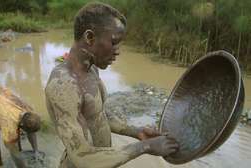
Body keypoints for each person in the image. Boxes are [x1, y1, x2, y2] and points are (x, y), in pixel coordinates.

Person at [45, 2, 179, 168]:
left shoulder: (92, 69)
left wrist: (137, 132)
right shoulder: (63, 85)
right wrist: (145, 146)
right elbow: (81, 156)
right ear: (89, 37)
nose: (117, 51)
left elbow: (99, 113)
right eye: (114, 42)